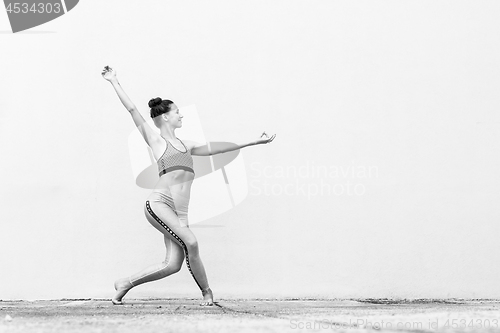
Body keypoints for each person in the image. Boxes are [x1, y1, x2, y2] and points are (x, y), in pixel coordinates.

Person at [101, 66, 276, 306]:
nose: (181, 116)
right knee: (191, 242)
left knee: (172, 265)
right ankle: (207, 292)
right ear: (165, 117)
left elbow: (220, 148)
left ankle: (125, 283)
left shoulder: (188, 145)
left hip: (180, 213)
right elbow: (132, 109)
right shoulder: (156, 141)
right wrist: (114, 81)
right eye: (177, 112)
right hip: (160, 203)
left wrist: (253, 142)